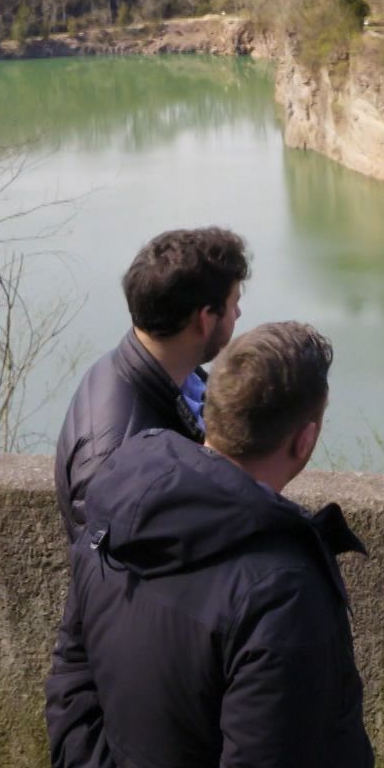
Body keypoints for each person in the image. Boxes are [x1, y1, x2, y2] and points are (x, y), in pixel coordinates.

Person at [44, 321, 377, 768]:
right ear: (304, 441)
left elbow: (71, 683)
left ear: (212, 412)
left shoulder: (117, 505)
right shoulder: (283, 589)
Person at [54, 226, 248, 542]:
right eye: (234, 303)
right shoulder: (114, 457)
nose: (239, 313)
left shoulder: (166, 373)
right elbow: (116, 582)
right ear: (204, 319)